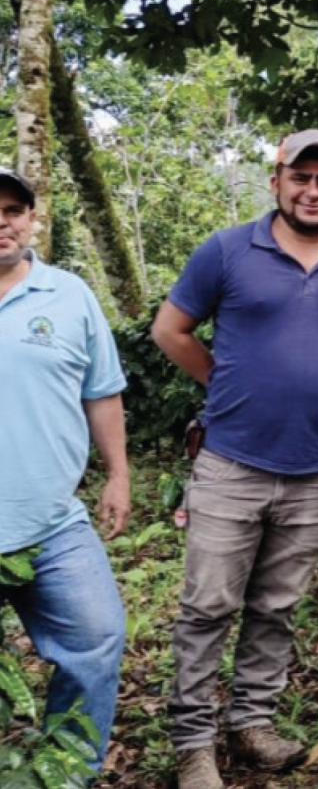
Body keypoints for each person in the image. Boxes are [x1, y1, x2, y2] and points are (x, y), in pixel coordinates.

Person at [152, 131, 318, 789]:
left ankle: (252, 724)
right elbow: (170, 329)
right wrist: (221, 383)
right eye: (299, 176)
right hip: (231, 462)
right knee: (207, 607)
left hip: (313, 467)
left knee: (276, 607)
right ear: (276, 181)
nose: (312, 190)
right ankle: (193, 743)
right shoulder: (226, 250)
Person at [0, 167, 130, 778]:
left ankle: (67, 771)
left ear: (30, 218)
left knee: (97, 639)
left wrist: (118, 474)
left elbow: (101, 393)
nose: (3, 220)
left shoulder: (70, 295)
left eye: (13, 209)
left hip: (51, 522)